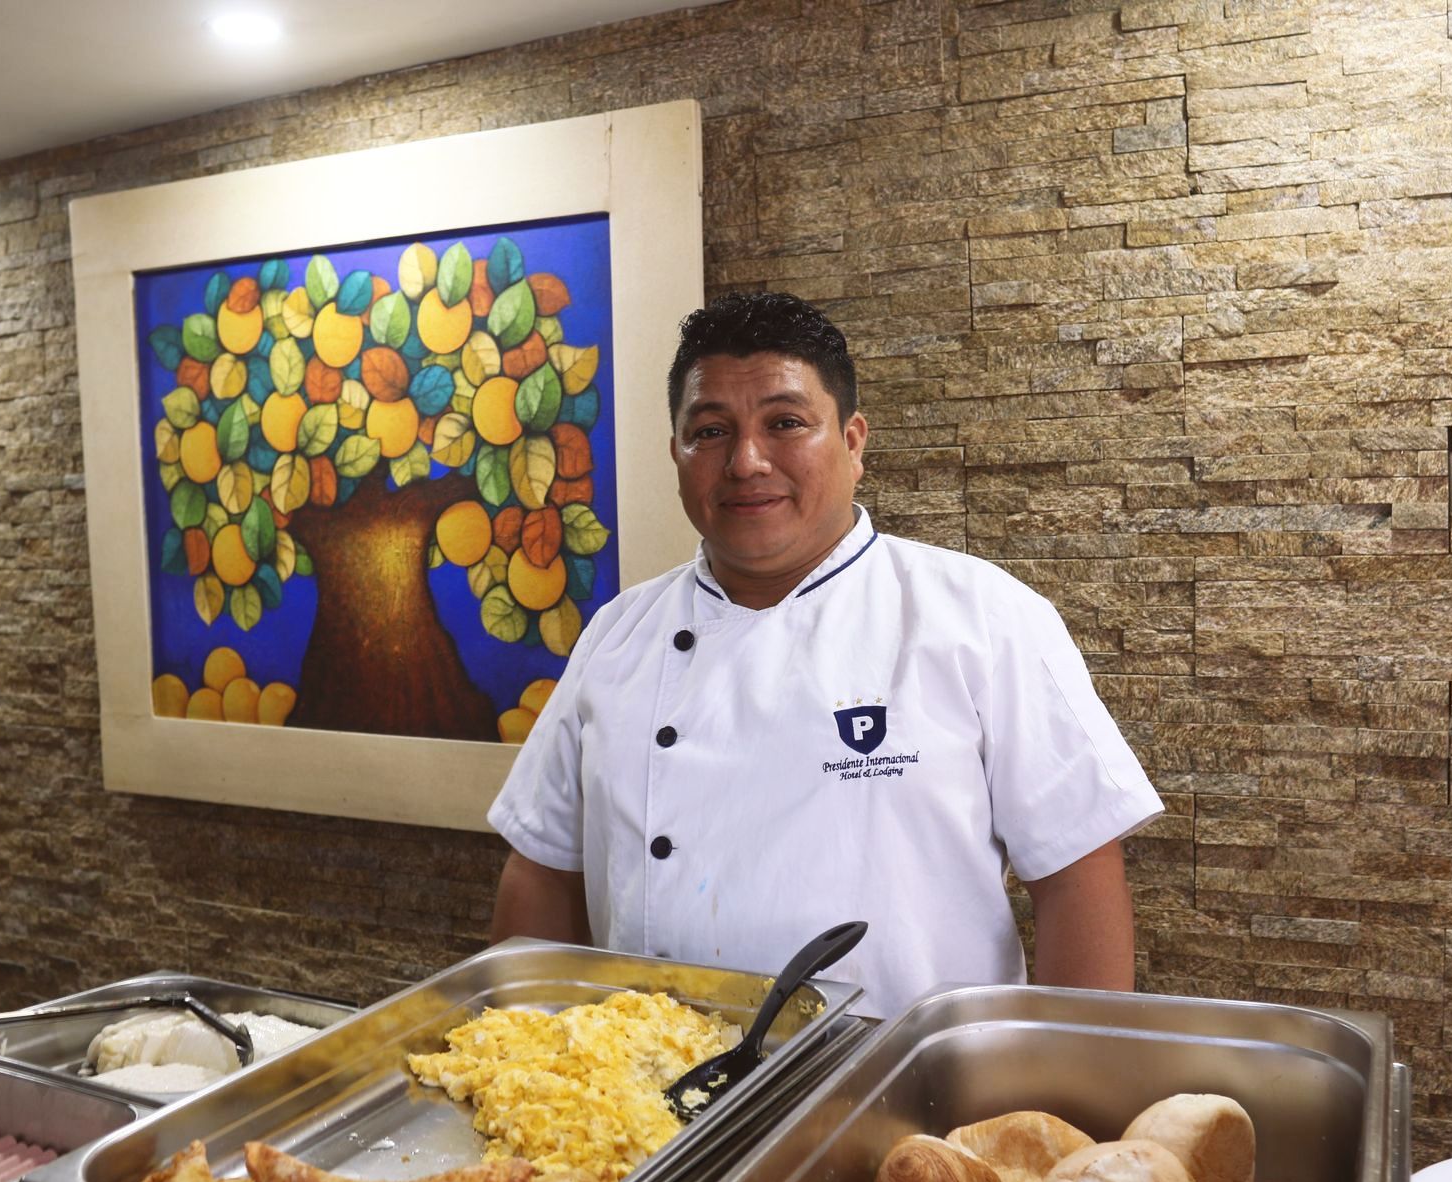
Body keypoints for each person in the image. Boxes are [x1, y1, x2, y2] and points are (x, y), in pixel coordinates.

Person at [486, 291, 1163, 1017]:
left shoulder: (981, 617)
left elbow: (1077, 878)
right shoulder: (618, 634)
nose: (746, 461)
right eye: (710, 431)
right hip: (648, 1098)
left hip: (911, 1097)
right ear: (677, 453)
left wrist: (1059, 1086)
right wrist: (528, 1054)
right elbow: (545, 874)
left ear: (853, 441)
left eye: (785, 423)